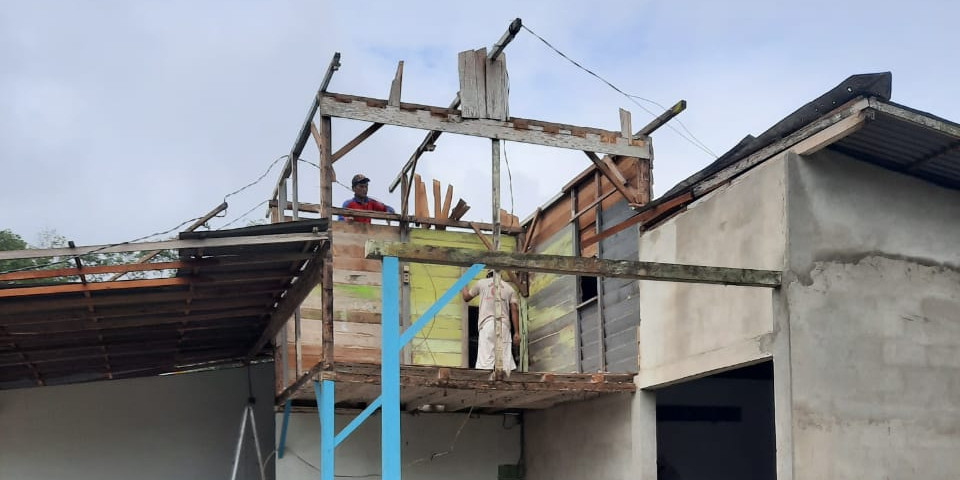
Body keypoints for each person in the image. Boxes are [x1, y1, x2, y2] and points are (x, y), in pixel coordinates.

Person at [461, 270, 519, 371]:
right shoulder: (509, 288)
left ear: (488, 274)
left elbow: (466, 297)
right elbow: (514, 309)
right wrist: (516, 332)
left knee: (486, 361)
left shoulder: (482, 283)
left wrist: (462, 285)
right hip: (504, 326)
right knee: (505, 362)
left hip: (487, 325)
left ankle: (485, 384)